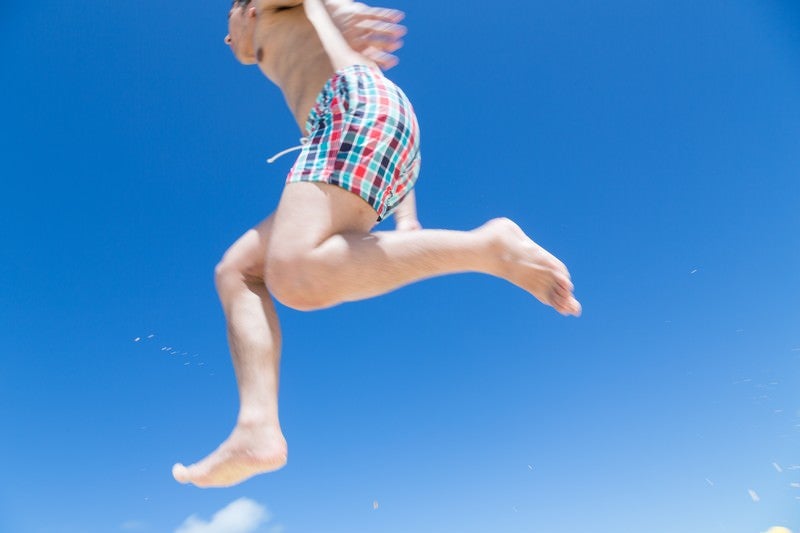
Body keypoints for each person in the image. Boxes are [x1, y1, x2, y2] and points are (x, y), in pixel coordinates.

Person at [172, 0, 582, 489]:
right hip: (372, 135)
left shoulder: (272, 10)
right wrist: (407, 217)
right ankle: (256, 425)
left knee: (295, 274)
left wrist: (338, 7)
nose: (224, 39)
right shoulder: (292, 37)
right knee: (238, 271)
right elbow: (381, 144)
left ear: (246, 10)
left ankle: (488, 248)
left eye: (227, 22)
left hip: (351, 110)